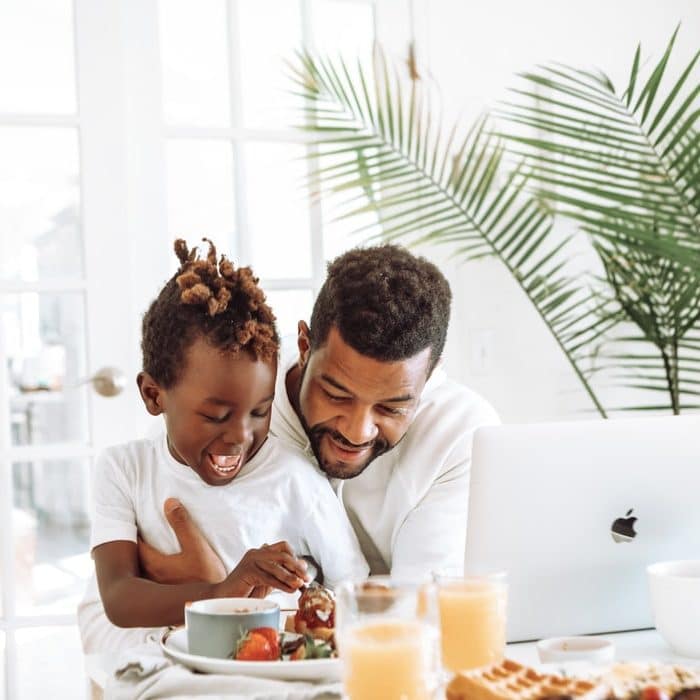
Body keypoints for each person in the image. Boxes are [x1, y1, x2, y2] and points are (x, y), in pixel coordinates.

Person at [140, 244, 499, 585]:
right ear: (304, 346)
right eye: (336, 395)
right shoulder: (236, 405)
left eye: (391, 407)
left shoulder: (462, 434)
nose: (357, 432)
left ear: (429, 376)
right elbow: (124, 593)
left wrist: (220, 593)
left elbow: (422, 611)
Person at [77, 239, 368, 654]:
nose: (239, 437)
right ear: (153, 396)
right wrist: (224, 590)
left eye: (259, 412)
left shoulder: (293, 477)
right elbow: (120, 599)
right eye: (216, 416)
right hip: (165, 663)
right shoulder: (125, 469)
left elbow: (352, 586)